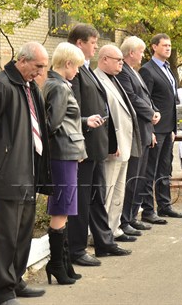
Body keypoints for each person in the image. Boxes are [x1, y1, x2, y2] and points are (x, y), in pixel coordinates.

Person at [0, 42, 51, 305]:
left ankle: (15, 281)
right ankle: (3, 292)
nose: (39, 73)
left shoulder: (29, 87)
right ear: (22, 60)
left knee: (23, 232)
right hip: (7, 173)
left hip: (28, 170)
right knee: (5, 235)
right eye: (37, 66)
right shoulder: (0, 85)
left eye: (42, 68)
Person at [67, 24, 131, 268]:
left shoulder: (86, 70)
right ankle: (77, 249)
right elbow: (75, 111)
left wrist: (110, 142)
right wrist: (80, 145)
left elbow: (102, 109)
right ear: (80, 43)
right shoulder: (73, 72)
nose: (95, 46)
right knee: (82, 200)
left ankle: (104, 243)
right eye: (93, 43)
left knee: (96, 198)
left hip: (97, 146)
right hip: (84, 148)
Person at [42, 42, 89, 285]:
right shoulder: (59, 87)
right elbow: (52, 125)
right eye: (77, 67)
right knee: (62, 208)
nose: (79, 71)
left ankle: (64, 262)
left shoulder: (53, 83)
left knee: (66, 207)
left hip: (65, 153)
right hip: (62, 155)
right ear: (68, 63)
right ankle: (58, 264)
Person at [95, 45, 142, 242]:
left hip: (125, 143)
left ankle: (114, 230)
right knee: (107, 190)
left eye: (122, 60)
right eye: (117, 60)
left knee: (119, 191)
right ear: (104, 59)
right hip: (113, 146)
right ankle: (102, 234)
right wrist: (111, 144)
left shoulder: (115, 80)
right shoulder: (97, 79)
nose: (121, 63)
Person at [139, 33, 182, 223]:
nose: (168, 48)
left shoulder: (169, 70)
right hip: (155, 129)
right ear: (154, 47)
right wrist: (150, 130)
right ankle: (149, 210)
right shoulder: (147, 71)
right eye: (164, 45)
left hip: (168, 130)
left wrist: (175, 127)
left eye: (169, 45)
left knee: (164, 169)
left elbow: (172, 102)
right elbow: (146, 100)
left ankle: (165, 205)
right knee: (150, 171)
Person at [117, 36, 160, 236]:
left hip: (144, 131)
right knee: (132, 178)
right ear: (131, 52)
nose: (143, 55)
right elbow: (132, 98)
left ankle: (132, 216)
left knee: (140, 177)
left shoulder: (134, 72)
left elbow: (146, 97)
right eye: (141, 51)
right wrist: (151, 114)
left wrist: (154, 113)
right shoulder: (123, 72)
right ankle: (125, 219)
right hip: (134, 132)